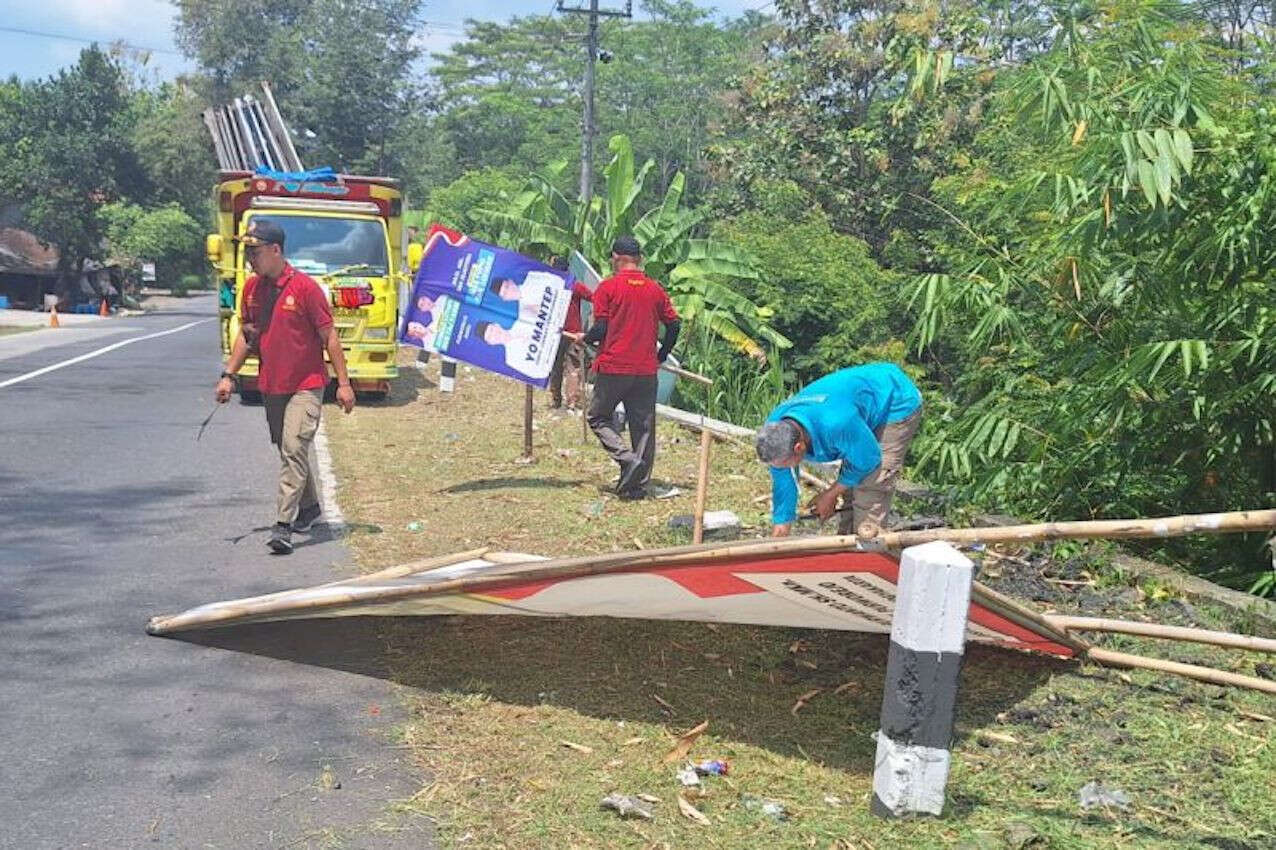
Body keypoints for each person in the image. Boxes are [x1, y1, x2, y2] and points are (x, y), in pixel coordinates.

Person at [215, 219, 356, 555]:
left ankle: (283, 526)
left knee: (293, 449)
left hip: (306, 385)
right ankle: (309, 509)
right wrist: (228, 376)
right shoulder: (252, 289)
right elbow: (247, 336)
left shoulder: (306, 289)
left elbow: (329, 337)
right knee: (288, 448)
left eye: (256, 250)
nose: (250, 257)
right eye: (247, 250)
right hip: (272, 385)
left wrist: (344, 384)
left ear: (276, 250)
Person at [755, 362, 922, 539]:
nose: (781, 468)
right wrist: (780, 531)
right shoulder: (774, 432)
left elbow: (869, 458)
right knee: (852, 486)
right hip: (854, 403)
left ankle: (869, 554)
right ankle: (847, 549)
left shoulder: (835, 423)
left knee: (870, 485)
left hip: (893, 399)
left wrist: (830, 495)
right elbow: (784, 484)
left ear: (799, 447)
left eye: (784, 464)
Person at [584, 235, 680, 499]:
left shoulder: (608, 288)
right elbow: (674, 325)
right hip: (646, 370)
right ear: (638, 260)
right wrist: (662, 354)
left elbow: (601, 328)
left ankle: (627, 459)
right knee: (643, 426)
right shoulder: (655, 289)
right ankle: (635, 486)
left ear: (616, 258)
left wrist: (586, 338)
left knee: (598, 417)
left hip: (614, 366)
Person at [547, 257, 592, 410]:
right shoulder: (574, 285)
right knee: (573, 368)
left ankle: (556, 400)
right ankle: (571, 402)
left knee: (556, 367)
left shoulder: (551, 284)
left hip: (556, 332)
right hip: (574, 334)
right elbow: (593, 297)